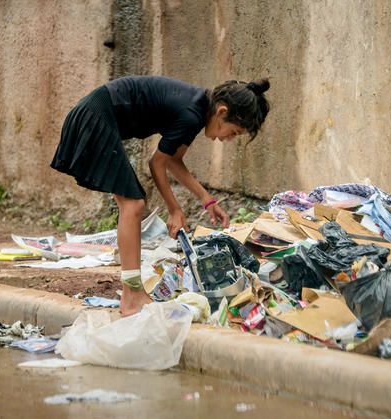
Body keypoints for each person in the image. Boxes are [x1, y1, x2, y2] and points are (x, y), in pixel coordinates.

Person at [51, 75, 270, 316]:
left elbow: (173, 161)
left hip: (96, 114)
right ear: (221, 111)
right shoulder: (191, 114)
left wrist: (207, 201)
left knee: (130, 204)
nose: (227, 139)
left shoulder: (197, 108)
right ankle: (132, 296)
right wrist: (174, 210)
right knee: (133, 205)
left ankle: (131, 295)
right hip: (96, 115)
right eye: (234, 132)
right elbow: (157, 163)